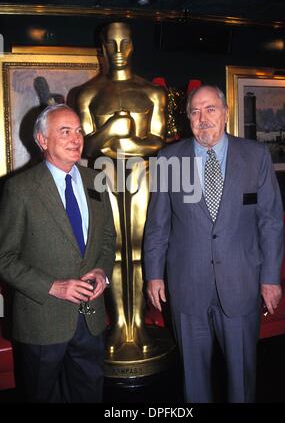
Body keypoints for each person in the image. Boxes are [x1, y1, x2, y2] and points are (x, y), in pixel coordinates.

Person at [144, 85, 284, 403]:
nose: (202, 118)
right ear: (188, 118)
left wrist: (271, 278)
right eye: (195, 111)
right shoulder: (169, 158)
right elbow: (158, 223)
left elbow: (271, 222)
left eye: (210, 109)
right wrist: (153, 273)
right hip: (186, 285)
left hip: (241, 283)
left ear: (224, 112)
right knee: (193, 381)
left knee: (242, 380)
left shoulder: (255, 156)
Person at [0, 104, 116, 402]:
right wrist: (54, 286)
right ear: (42, 140)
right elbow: (4, 259)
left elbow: (107, 239)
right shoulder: (20, 189)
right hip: (42, 323)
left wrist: (102, 273)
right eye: (65, 131)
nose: (76, 138)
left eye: (78, 130)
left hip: (91, 321)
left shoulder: (96, 181)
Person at [76, 22, 166, 354]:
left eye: (123, 43)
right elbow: (86, 146)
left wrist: (121, 141)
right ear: (101, 47)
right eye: (110, 44)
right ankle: (119, 326)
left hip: (142, 176)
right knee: (110, 249)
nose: (117, 51)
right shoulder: (86, 94)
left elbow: (157, 141)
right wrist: (114, 127)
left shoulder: (152, 92)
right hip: (103, 175)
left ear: (132, 46)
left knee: (140, 248)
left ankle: (139, 324)